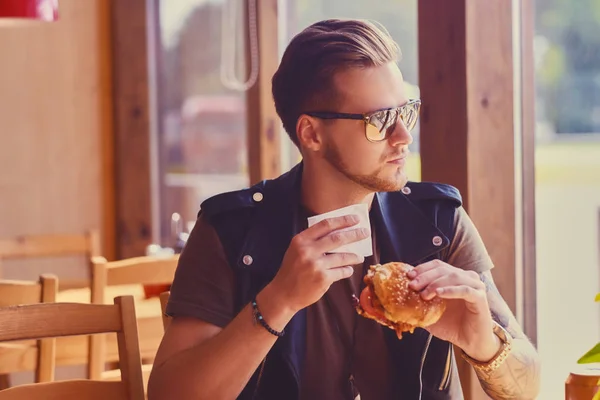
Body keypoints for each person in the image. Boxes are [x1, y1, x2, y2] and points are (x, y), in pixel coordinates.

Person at [148, 19, 541, 400]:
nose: (404, 136)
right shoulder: (230, 231)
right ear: (312, 134)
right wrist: (278, 301)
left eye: (406, 111)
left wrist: (483, 343)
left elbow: (528, 387)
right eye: (380, 120)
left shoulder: (438, 222)